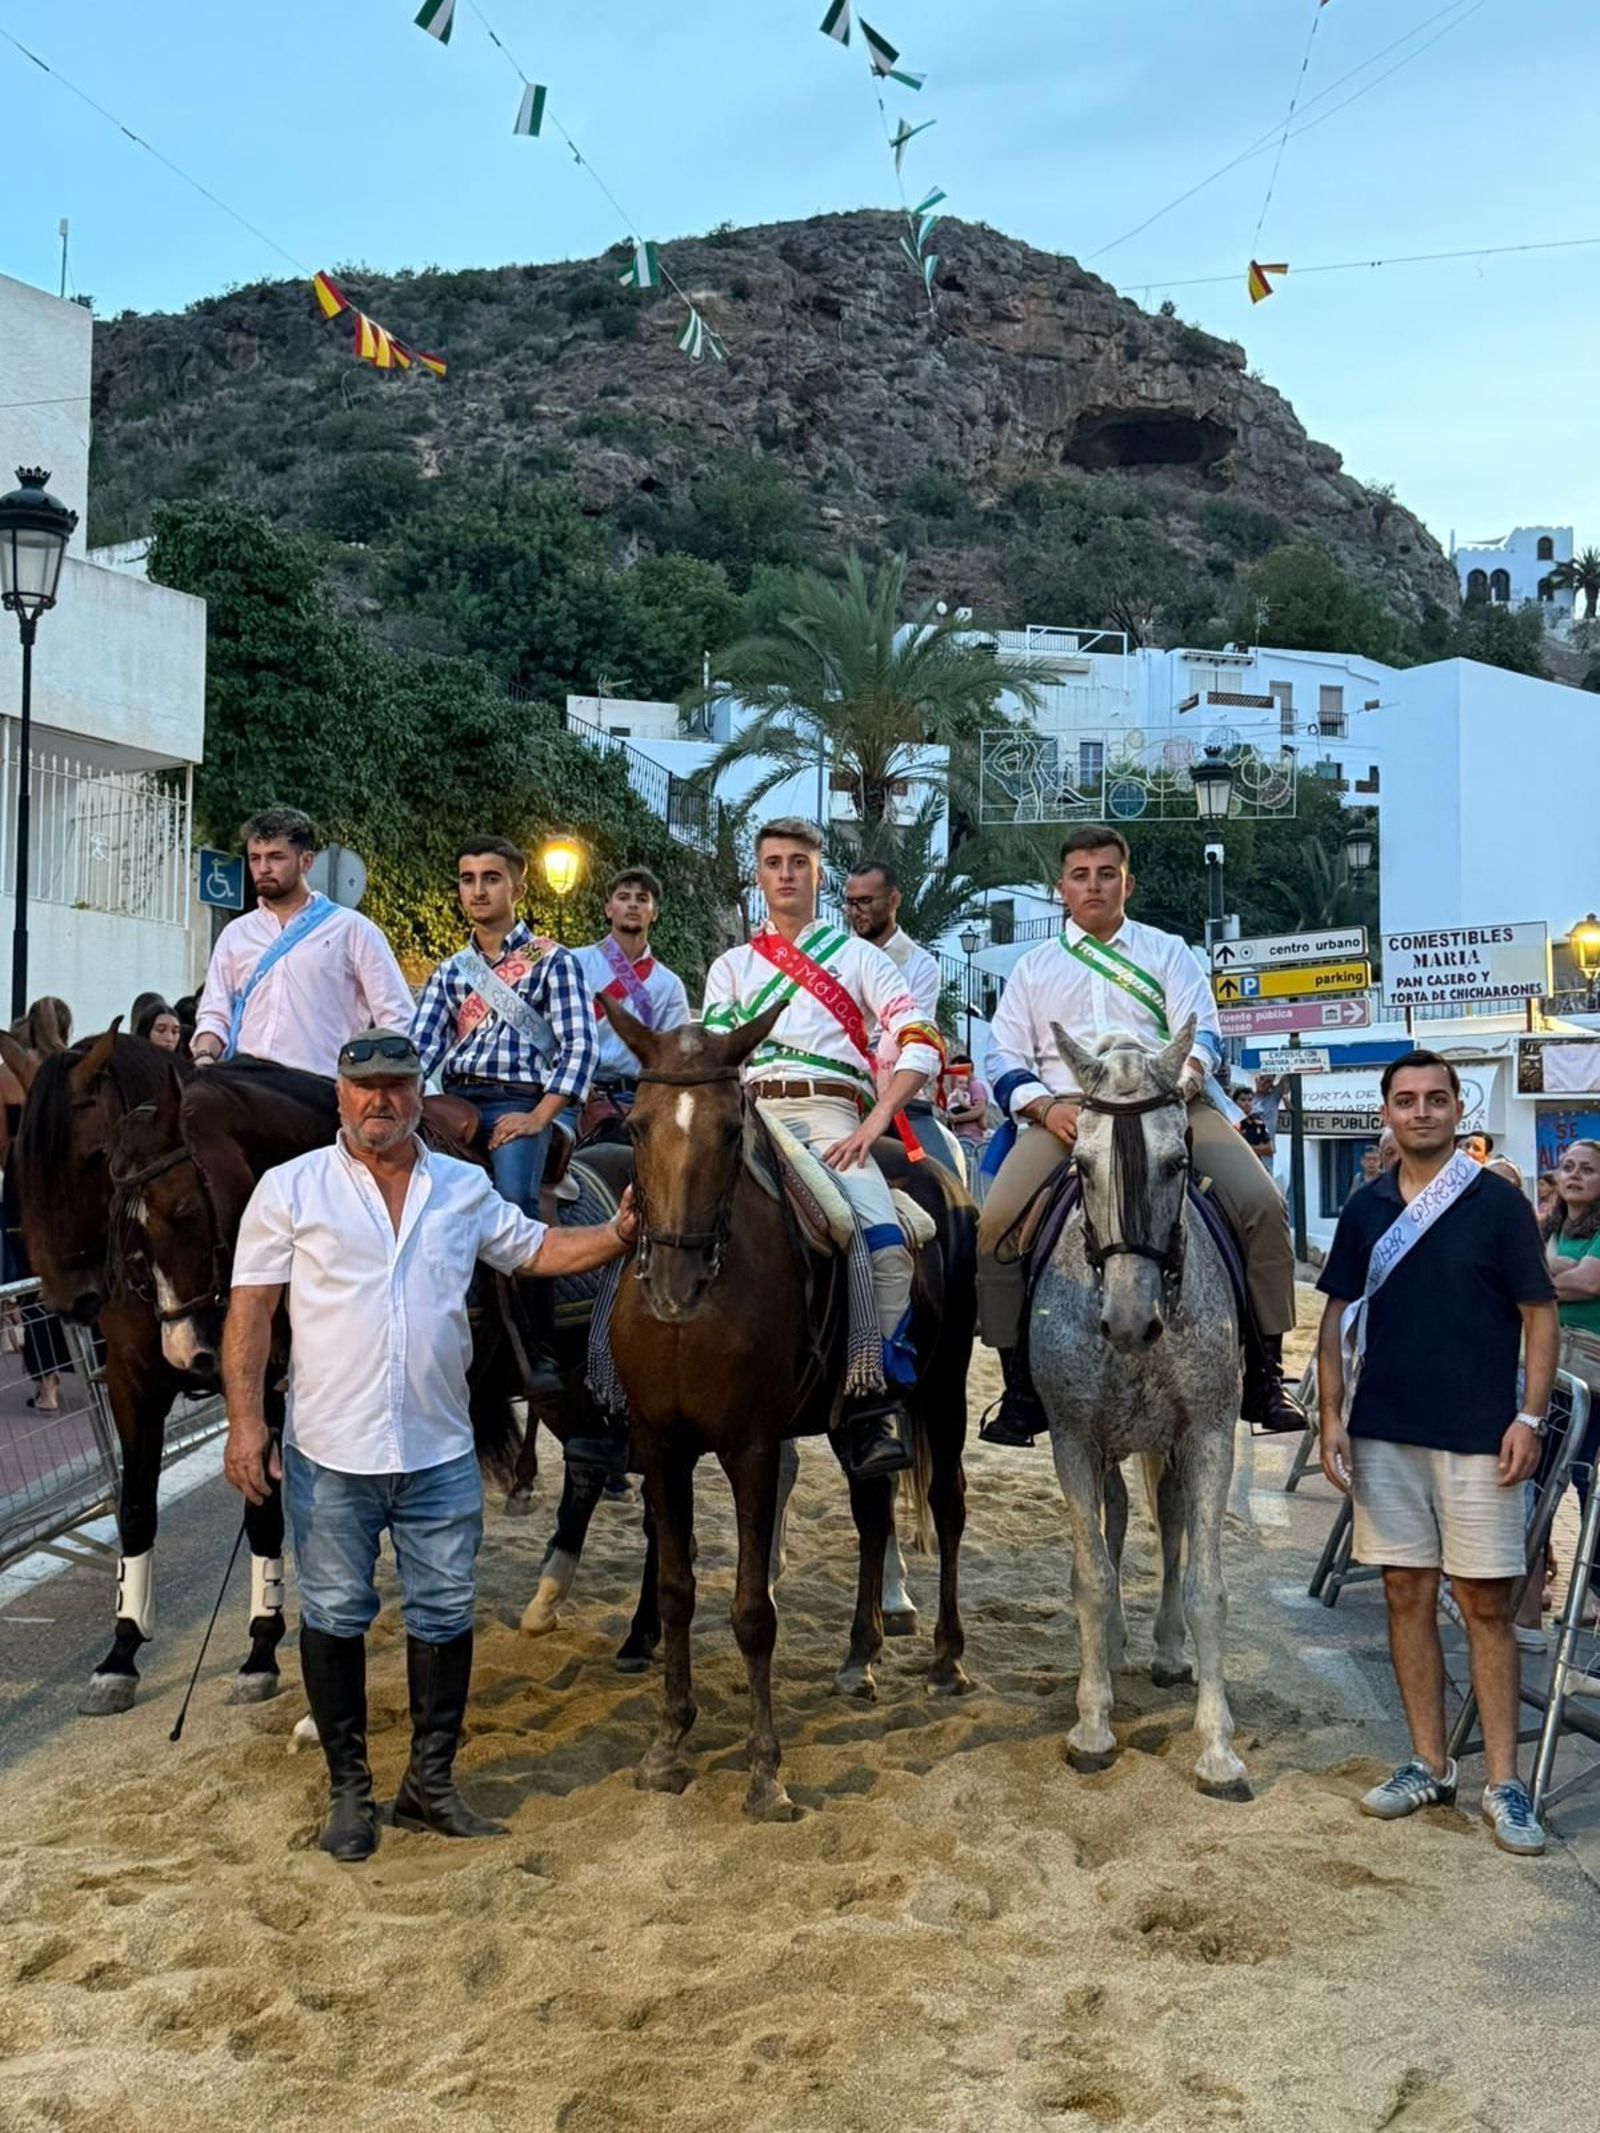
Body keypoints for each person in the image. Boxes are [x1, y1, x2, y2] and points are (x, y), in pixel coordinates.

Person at [221, 1027, 638, 1864]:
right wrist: (245, 1423)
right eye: (365, 1085)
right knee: (334, 1612)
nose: (381, 1099)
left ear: (421, 1092)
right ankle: (349, 1788)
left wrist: (618, 1235)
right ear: (340, 1096)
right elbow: (252, 1311)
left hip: (438, 1446)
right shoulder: (289, 1189)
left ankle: (430, 1784)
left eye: (397, 1083)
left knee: (444, 1611)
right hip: (330, 1448)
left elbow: (535, 1249)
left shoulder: (461, 1186)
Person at [977, 824, 1304, 1443]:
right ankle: (1019, 1388)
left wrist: (1182, 1082)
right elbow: (1003, 1055)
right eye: (1080, 876)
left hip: (1167, 1105)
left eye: (1107, 874)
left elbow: (1203, 1032)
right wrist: (1042, 1108)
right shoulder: (1033, 969)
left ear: (1127, 883)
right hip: (1070, 1112)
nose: (1094, 886)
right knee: (994, 1225)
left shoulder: (1168, 951)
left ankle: (1266, 1373)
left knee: (1262, 1203)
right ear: (1061, 889)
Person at [1316, 1051, 1557, 1857]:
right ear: (1386, 1111)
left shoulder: (1498, 1202)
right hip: (1385, 1428)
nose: (1421, 1111)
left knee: (1486, 1604)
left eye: (1435, 1098)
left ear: (1459, 1108)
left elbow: (1540, 1314)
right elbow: (1334, 1317)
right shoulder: (1365, 1207)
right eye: (1406, 1099)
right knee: (1404, 1591)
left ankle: (1504, 1780)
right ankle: (1428, 1761)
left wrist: (1529, 1415)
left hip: (1481, 1434)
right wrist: (1331, 1415)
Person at [698, 818, 943, 1479]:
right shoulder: (731, 966)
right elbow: (718, 1055)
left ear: (818, 872)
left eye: (798, 862)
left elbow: (920, 1037)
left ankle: (872, 1403)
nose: (786, 873)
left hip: (833, 1115)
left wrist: (877, 1120)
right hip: (751, 1114)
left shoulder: (862, 959)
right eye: (774, 862)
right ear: (759, 875)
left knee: (884, 1245)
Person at [410, 838, 598, 1400]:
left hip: (521, 1101)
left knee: (516, 1204)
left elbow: (580, 1046)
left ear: (517, 887)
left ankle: (540, 1349)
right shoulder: (451, 971)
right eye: (467, 878)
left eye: (490, 878)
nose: (477, 890)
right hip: (453, 1103)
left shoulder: (554, 961)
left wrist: (540, 1116)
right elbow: (418, 1050)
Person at [192, 808, 414, 1075]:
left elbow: (397, 1017)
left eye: (276, 857)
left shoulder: (353, 930)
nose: (263, 868)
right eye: (255, 858)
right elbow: (214, 1015)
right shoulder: (236, 934)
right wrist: (204, 1056)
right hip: (243, 1081)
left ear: (306, 861)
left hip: (320, 1085)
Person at [842, 859, 959, 1174]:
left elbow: (907, 1035)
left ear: (893, 900)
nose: (855, 911)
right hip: (840, 1087)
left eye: (865, 901)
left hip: (898, 1095)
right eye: (850, 903)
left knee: (940, 1174)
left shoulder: (920, 964)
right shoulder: (835, 957)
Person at [1539, 1139, 1600, 1640]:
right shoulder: (1549, 1228)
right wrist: (1565, 1273)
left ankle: (1593, 1591)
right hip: (1548, 1370)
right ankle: (1538, 1580)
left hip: (1592, 1378)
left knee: (1585, 1482)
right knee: (1538, 1479)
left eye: (1588, 1169)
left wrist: (1540, 1276)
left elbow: (1590, 1284)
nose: (1575, 1175)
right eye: (1568, 1167)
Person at [573, 867, 691, 1117]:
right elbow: (550, 1031)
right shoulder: (574, 963)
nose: (633, 905)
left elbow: (674, 1057)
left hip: (637, 1098)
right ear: (609, 909)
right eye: (624, 897)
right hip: (572, 1091)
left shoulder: (669, 984)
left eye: (642, 899)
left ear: (654, 912)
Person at [945, 1054, 989, 1145]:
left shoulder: (975, 1086)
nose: (953, 1075)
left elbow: (979, 1110)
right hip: (962, 1137)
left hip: (971, 1139)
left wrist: (956, 1118)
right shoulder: (963, 1088)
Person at [1235, 1087, 1273, 1164]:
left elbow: (1269, 1149)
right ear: (1235, 1102)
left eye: (1250, 1100)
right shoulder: (1230, 1122)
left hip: (1253, 1165)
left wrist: (1246, 1148)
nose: (1247, 1103)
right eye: (1243, 1100)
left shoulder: (1258, 1123)